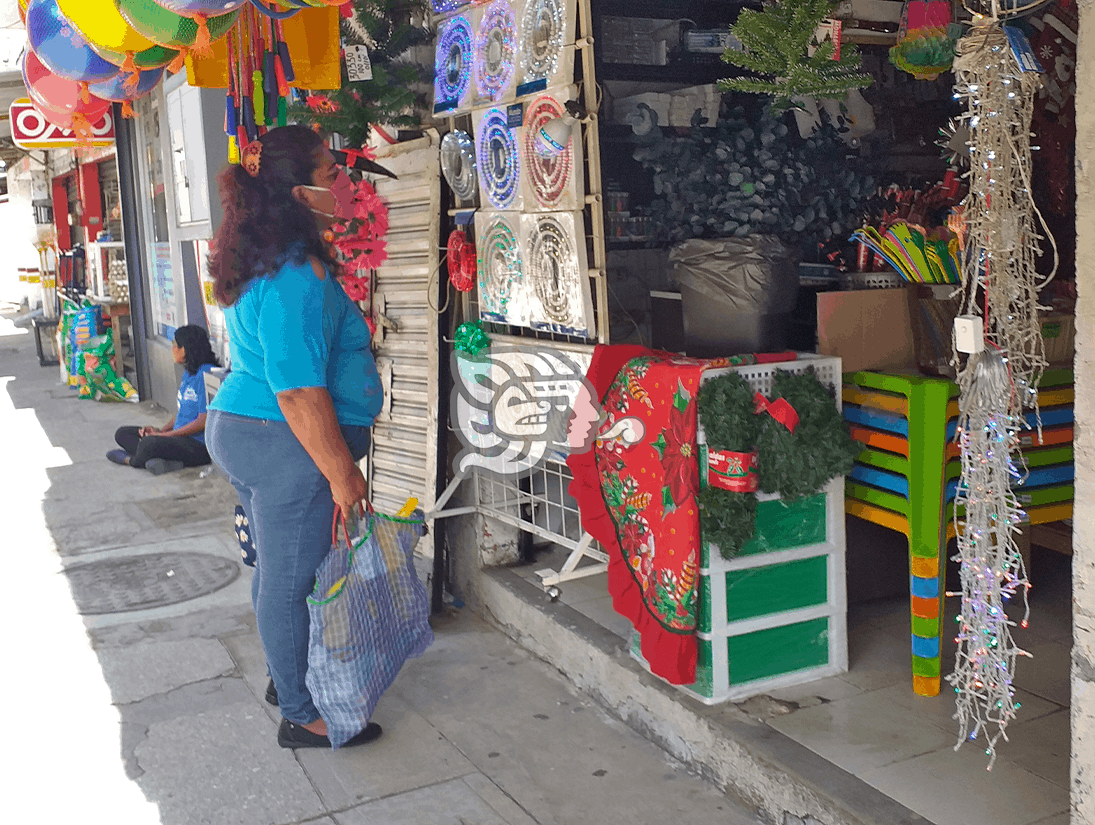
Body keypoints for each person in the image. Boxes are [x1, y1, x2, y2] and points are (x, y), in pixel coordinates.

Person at [204, 126, 384, 750]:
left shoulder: (267, 256)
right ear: (300, 192)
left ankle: (287, 681)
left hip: (255, 432)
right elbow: (298, 392)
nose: (342, 183)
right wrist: (343, 474)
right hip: (282, 439)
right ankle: (301, 715)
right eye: (330, 172)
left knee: (277, 570)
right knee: (287, 578)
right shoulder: (292, 275)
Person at [107, 325, 218, 474]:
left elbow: (203, 421)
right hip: (178, 438)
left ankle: (132, 461)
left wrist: (165, 436)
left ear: (184, 349)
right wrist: (159, 430)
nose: (172, 349)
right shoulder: (188, 373)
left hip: (197, 445)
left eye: (174, 345)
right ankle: (163, 461)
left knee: (149, 443)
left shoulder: (205, 374)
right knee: (122, 433)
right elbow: (181, 413)